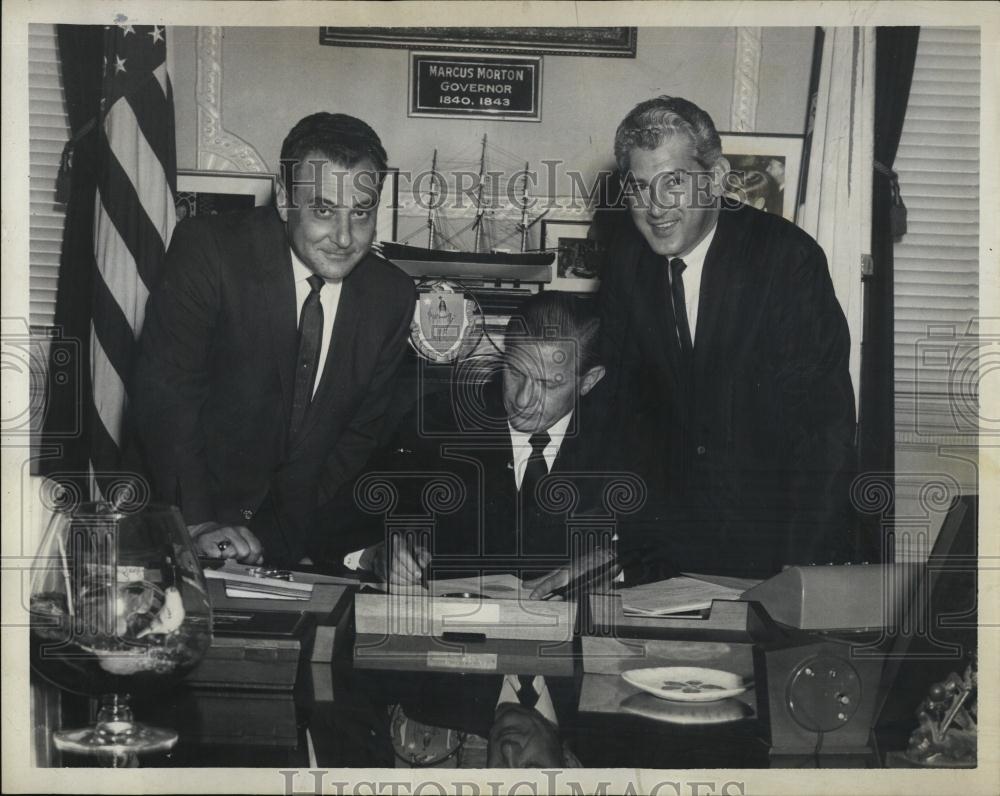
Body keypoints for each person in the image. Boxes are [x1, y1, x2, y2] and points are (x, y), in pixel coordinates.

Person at [132, 112, 416, 567]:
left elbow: (357, 437)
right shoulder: (209, 250)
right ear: (284, 199)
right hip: (179, 522)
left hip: (283, 543)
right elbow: (167, 397)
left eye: (361, 212)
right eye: (323, 209)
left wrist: (280, 534)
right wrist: (200, 522)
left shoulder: (393, 297)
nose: (344, 237)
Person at [599, 95, 857, 578]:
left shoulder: (786, 260)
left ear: (715, 178)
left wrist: (803, 575)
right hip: (660, 554)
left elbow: (823, 435)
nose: (655, 208)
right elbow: (616, 415)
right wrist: (607, 542)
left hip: (772, 549)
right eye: (639, 188)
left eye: (673, 181)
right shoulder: (626, 264)